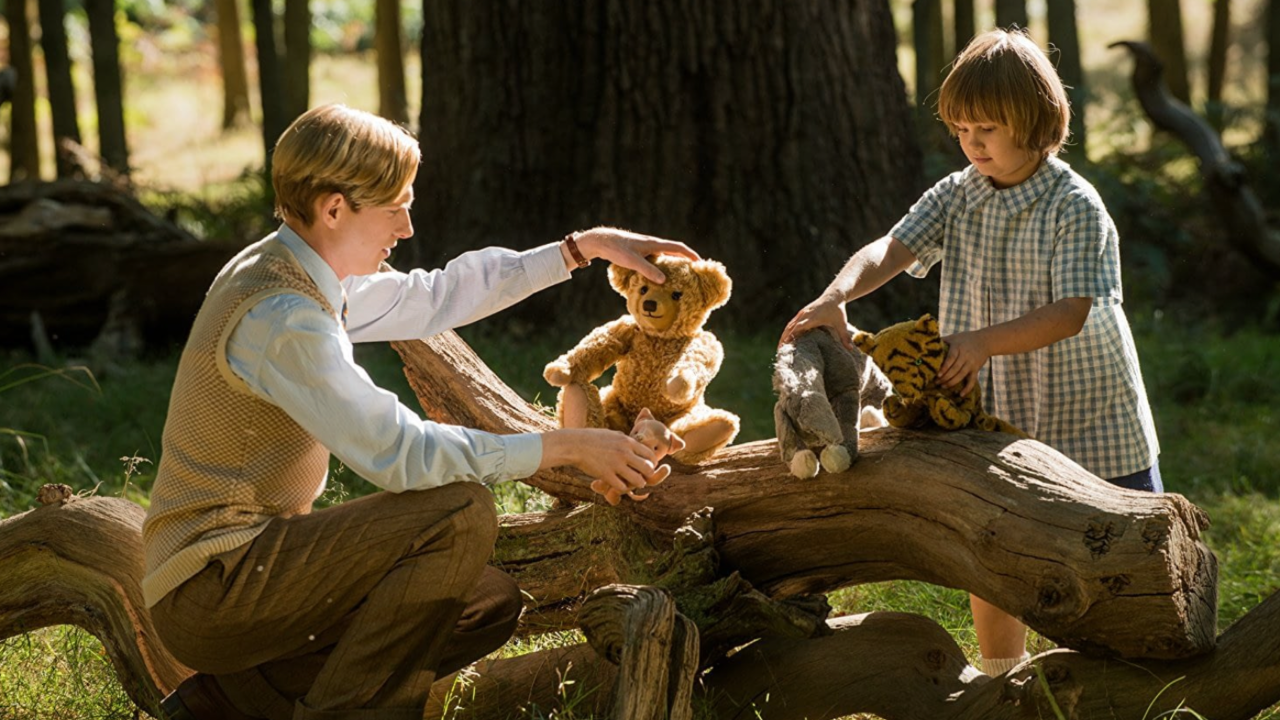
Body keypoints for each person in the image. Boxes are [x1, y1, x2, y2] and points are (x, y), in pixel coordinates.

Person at [143, 103, 699, 720]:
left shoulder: (297, 266)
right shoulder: (283, 319)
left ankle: (224, 703)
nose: (406, 228)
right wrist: (564, 446)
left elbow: (436, 295)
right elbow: (400, 455)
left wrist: (580, 249)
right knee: (458, 511)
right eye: (394, 208)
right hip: (214, 585)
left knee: (483, 604)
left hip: (246, 566)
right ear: (334, 209)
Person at [781, 28, 1161, 677]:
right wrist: (838, 293)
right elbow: (891, 248)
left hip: (1085, 407)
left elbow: (1071, 312)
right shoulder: (959, 193)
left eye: (987, 127)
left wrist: (981, 341)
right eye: (961, 128)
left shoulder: (1075, 205)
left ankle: (1132, 670)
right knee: (993, 540)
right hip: (989, 404)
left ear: (1038, 123)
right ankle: (1000, 678)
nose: (972, 142)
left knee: (1121, 544)